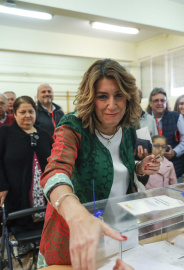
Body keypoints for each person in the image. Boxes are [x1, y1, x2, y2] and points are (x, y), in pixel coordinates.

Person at [37, 59, 161, 269]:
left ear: (128, 97)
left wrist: (140, 167)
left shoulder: (129, 125)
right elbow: (56, 170)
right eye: (103, 96)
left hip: (119, 228)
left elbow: (123, 168)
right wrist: (76, 214)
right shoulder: (73, 126)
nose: (112, 105)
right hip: (76, 232)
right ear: (91, 98)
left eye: (118, 95)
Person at [0, 96, 53, 225]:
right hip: (15, 194)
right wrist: (2, 186)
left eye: (31, 111)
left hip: (46, 195)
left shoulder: (45, 135)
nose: (27, 115)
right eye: (22, 112)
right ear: (15, 114)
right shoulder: (4, 133)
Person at [145, 87, 184, 182]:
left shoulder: (177, 117)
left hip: (174, 169)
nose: (160, 103)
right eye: (156, 100)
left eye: (162, 100)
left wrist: (174, 152)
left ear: (166, 102)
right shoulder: (145, 119)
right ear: (150, 104)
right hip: (152, 171)